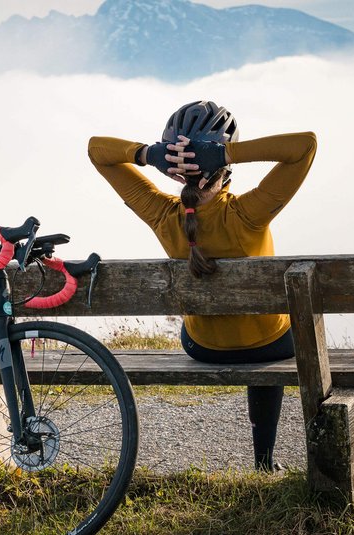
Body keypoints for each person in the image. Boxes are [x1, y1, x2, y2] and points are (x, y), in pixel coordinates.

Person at [87, 101, 317, 471]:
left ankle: (264, 459)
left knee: (208, 325)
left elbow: (97, 150)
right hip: (269, 347)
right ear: (223, 169)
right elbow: (305, 146)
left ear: (177, 173)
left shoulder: (162, 214)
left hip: (203, 347)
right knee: (276, 329)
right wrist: (227, 153)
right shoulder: (248, 213)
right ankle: (264, 461)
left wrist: (147, 154)